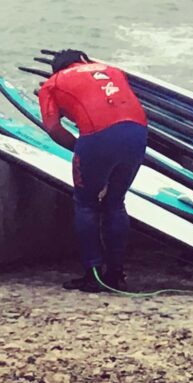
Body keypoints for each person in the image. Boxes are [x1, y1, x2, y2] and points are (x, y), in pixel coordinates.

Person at [38, 49, 148, 293]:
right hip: (138, 133)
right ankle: (116, 275)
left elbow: (54, 128)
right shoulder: (112, 71)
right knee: (115, 202)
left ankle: (93, 274)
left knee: (86, 203)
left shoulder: (53, 83)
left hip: (99, 136)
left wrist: (79, 148)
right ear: (84, 60)